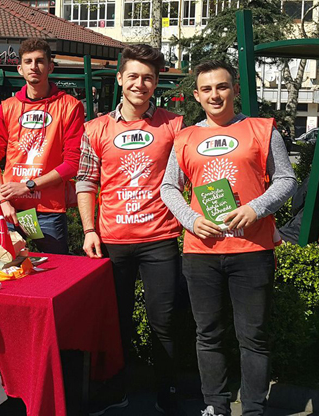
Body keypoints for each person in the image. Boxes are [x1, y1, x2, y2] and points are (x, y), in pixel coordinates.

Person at [161, 60, 297, 416]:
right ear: (196, 95)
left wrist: (256, 209)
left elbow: (286, 179)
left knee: (253, 336)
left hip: (252, 250)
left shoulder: (262, 130)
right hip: (201, 252)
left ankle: (253, 409)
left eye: (222, 87)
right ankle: (216, 406)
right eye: (206, 89)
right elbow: (169, 186)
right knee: (208, 334)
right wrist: (191, 220)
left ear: (235, 89)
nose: (215, 95)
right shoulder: (185, 137)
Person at [76, 44, 185, 416]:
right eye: (134, 76)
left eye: (148, 78)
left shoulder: (175, 125)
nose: (141, 84)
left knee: (164, 321)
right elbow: (86, 182)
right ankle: (116, 389)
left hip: (160, 240)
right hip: (111, 241)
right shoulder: (95, 129)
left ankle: (167, 390)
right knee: (115, 323)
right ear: (120, 79)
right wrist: (89, 230)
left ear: (156, 83)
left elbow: (192, 174)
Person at [0, 38, 84, 254]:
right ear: (20, 69)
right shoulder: (7, 107)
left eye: (39, 61)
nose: (34, 66)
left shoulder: (70, 106)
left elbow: (72, 163)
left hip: (49, 211)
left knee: (56, 270)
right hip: (10, 208)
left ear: (50, 67)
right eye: (28, 61)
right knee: (5, 268)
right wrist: (2, 200)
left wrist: (28, 186)